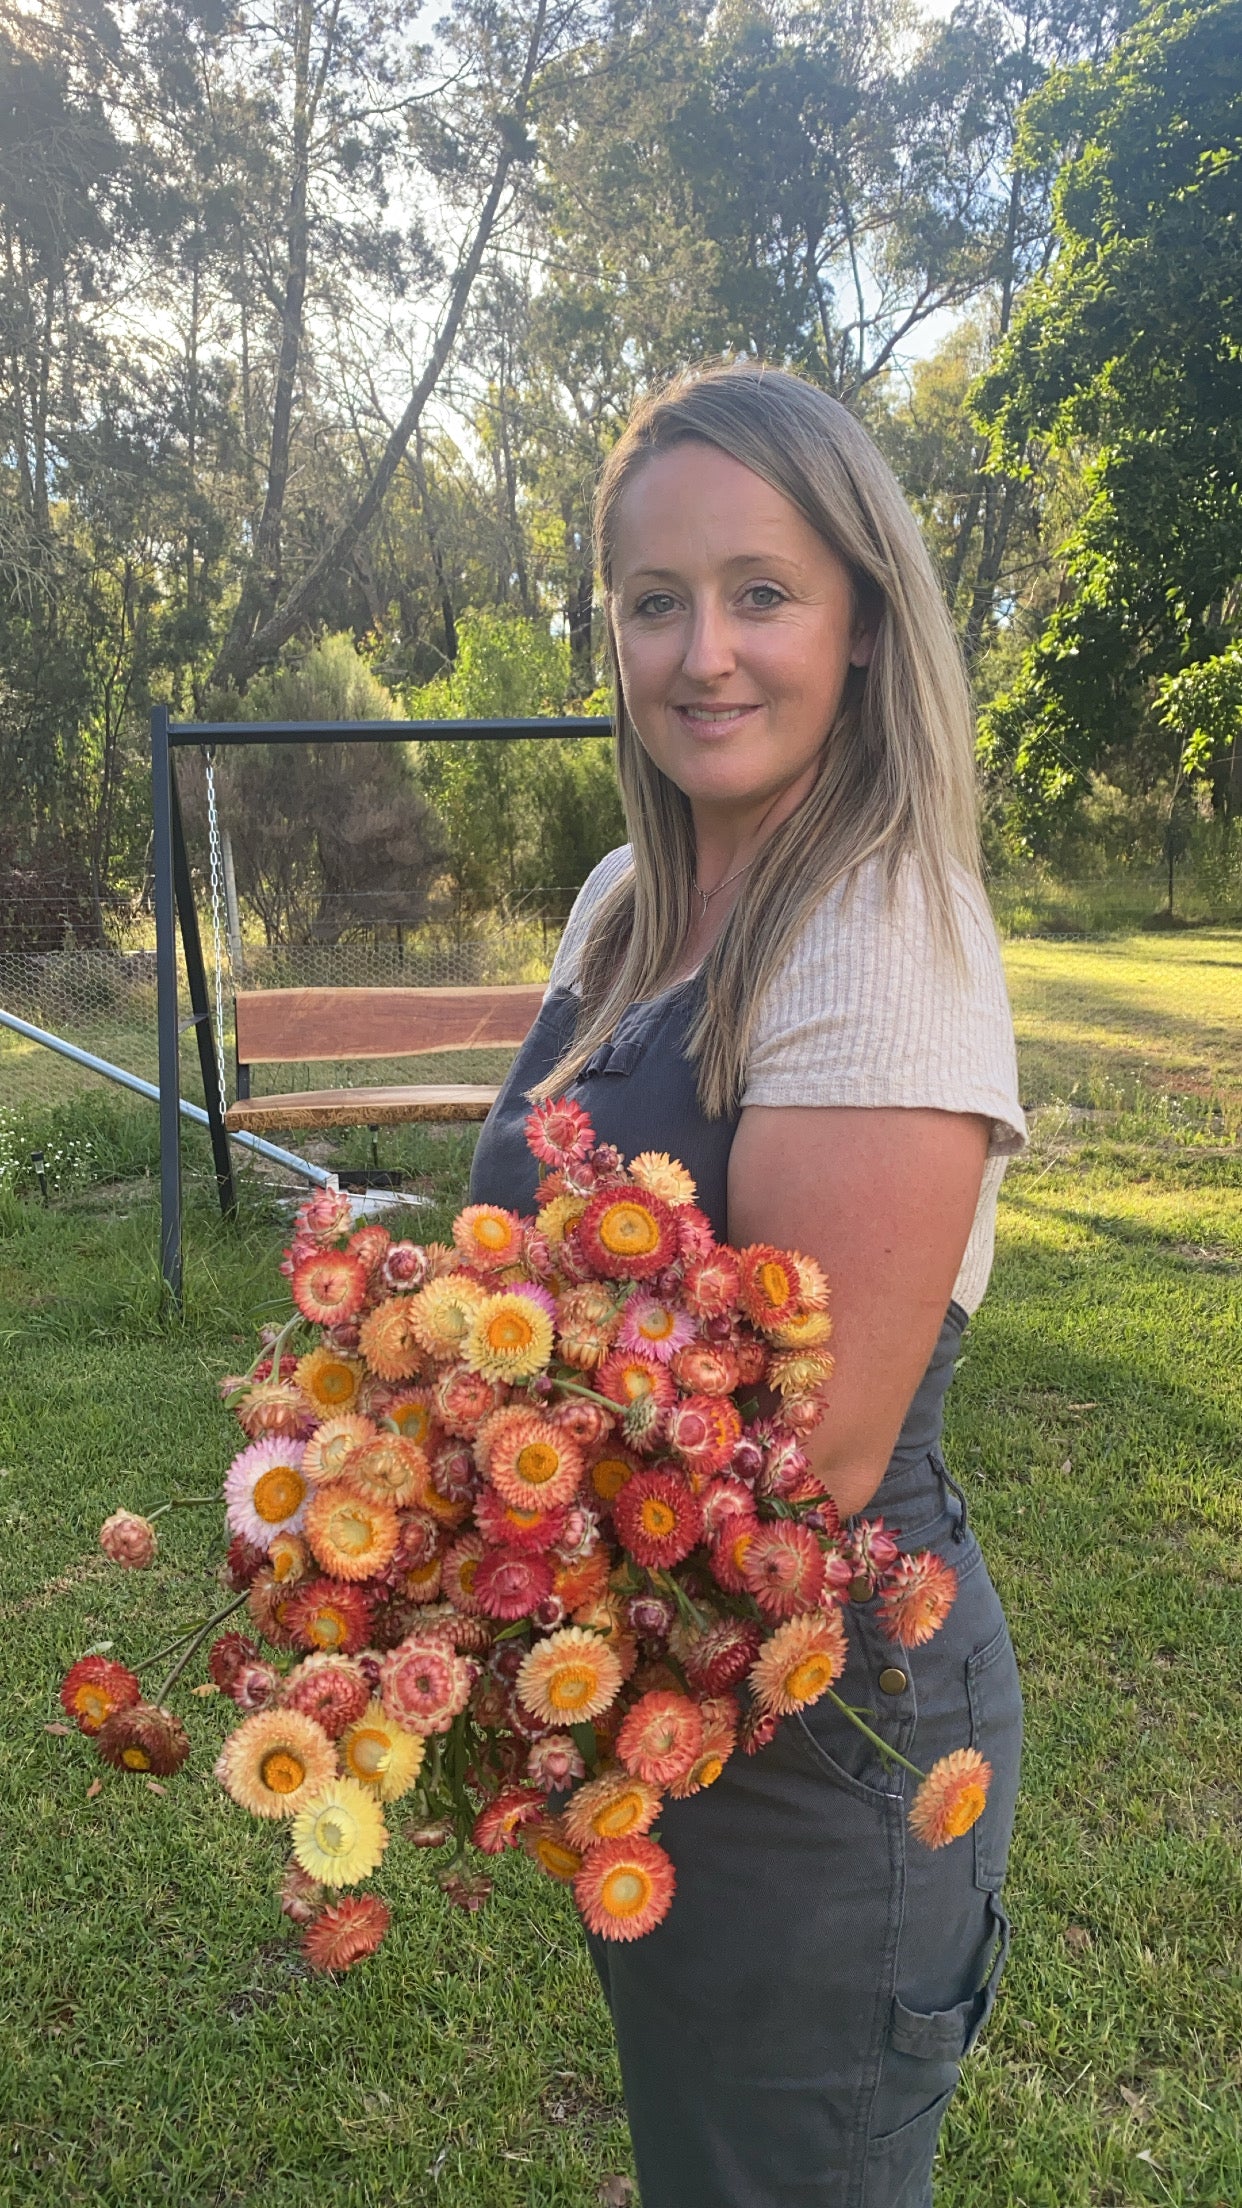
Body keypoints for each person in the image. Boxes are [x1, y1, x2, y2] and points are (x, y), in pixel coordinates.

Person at [469, 363, 1025, 2208]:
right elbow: (543, 1273)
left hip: (816, 1723)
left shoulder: (882, 930)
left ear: (862, 621)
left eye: (761, 593)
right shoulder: (628, 898)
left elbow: (807, 1464)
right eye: (653, 600)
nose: (702, 652)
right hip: (656, 1690)